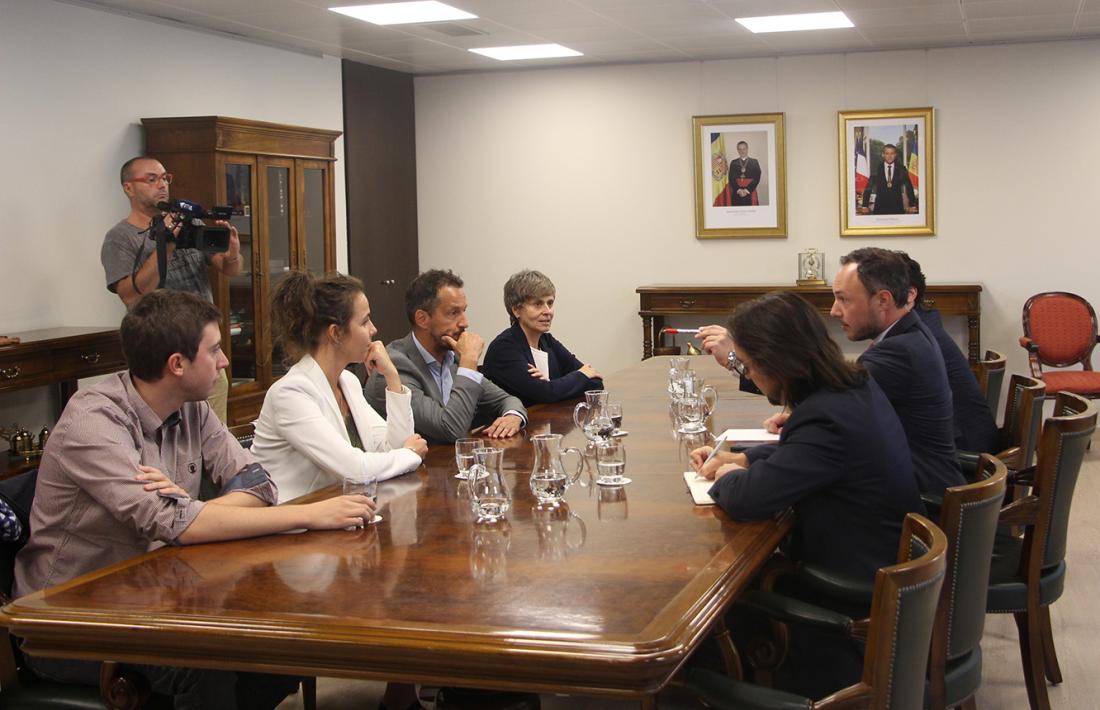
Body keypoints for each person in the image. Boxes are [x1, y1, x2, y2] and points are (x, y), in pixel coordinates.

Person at [13, 289, 374, 709]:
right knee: (206, 663)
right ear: (177, 364)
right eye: (215, 350)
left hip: (158, 597)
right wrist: (308, 515)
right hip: (69, 622)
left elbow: (259, 484)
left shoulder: (191, 407)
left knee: (286, 638)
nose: (224, 362)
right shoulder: (93, 420)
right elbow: (171, 523)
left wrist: (186, 508)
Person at [689, 292, 923, 697]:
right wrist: (745, 457)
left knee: (705, 623)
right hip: (884, 564)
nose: (748, 373)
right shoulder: (851, 387)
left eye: (747, 364)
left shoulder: (824, 416)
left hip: (850, 594)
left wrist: (727, 475)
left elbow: (748, 500)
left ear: (775, 361)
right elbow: (810, 457)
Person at [251, 271, 428, 504]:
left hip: (339, 517)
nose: (374, 330)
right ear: (336, 333)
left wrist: (393, 378)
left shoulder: (348, 382)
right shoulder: (290, 393)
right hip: (292, 530)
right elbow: (356, 470)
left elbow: (392, 447)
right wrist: (410, 455)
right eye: (364, 321)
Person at [100, 156, 244, 423]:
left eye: (165, 178)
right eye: (151, 179)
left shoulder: (189, 223)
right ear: (128, 188)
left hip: (204, 353)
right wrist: (165, 244)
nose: (162, 185)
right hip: (160, 359)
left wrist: (233, 254)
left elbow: (229, 268)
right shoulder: (119, 238)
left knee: (214, 436)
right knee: (169, 435)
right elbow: (131, 295)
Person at [829, 247, 964, 496]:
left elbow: (830, 408)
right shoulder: (911, 333)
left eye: (843, 299)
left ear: (883, 300)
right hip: (924, 482)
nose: (834, 311)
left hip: (921, 505)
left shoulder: (898, 351)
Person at [366, 269, 527, 444]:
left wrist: (513, 416)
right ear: (422, 319)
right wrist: (468, 362)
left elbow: (507, 400)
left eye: (464, 311)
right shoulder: (393, 367)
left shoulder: (452, 358)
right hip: (413, 469)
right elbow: (450, 430)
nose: (465, 322)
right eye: (453, 313)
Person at [900, 252, 999, 454]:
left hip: (964, 455)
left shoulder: (915, 339)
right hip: (966, 441)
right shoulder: (923, 325)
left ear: (910, 294)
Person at [482, 269, 603, 405]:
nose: (548, 311)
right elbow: (545, 394)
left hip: (547, 423)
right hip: (514, 425)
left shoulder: (547, 341)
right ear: (516, 310)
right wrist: (578, 376)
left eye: (550, 303)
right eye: (538, 304)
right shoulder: (504, 348)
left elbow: (596, 382)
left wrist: (552, 387)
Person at [859, 144, 917, 215]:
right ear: (883, 155)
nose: (889, 156)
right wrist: (865, 206)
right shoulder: (876, 169)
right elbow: (869, 188)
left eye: (892, 153)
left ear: (895, 155)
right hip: (880, 208)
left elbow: (909, 187)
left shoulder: (902, 169)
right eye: (887, 153)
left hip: (897, 208)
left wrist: (912, 205)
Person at [729, 140, 762, 206]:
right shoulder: (733, 162)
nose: (742, 151)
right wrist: (738, 190)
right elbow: (731, 178)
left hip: (750, 191)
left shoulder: (754, 162)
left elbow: (757, 177)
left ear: (747, 149)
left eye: (744, 149)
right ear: (737, 150)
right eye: (740, 149)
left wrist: (747, 190)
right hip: (737, 192)